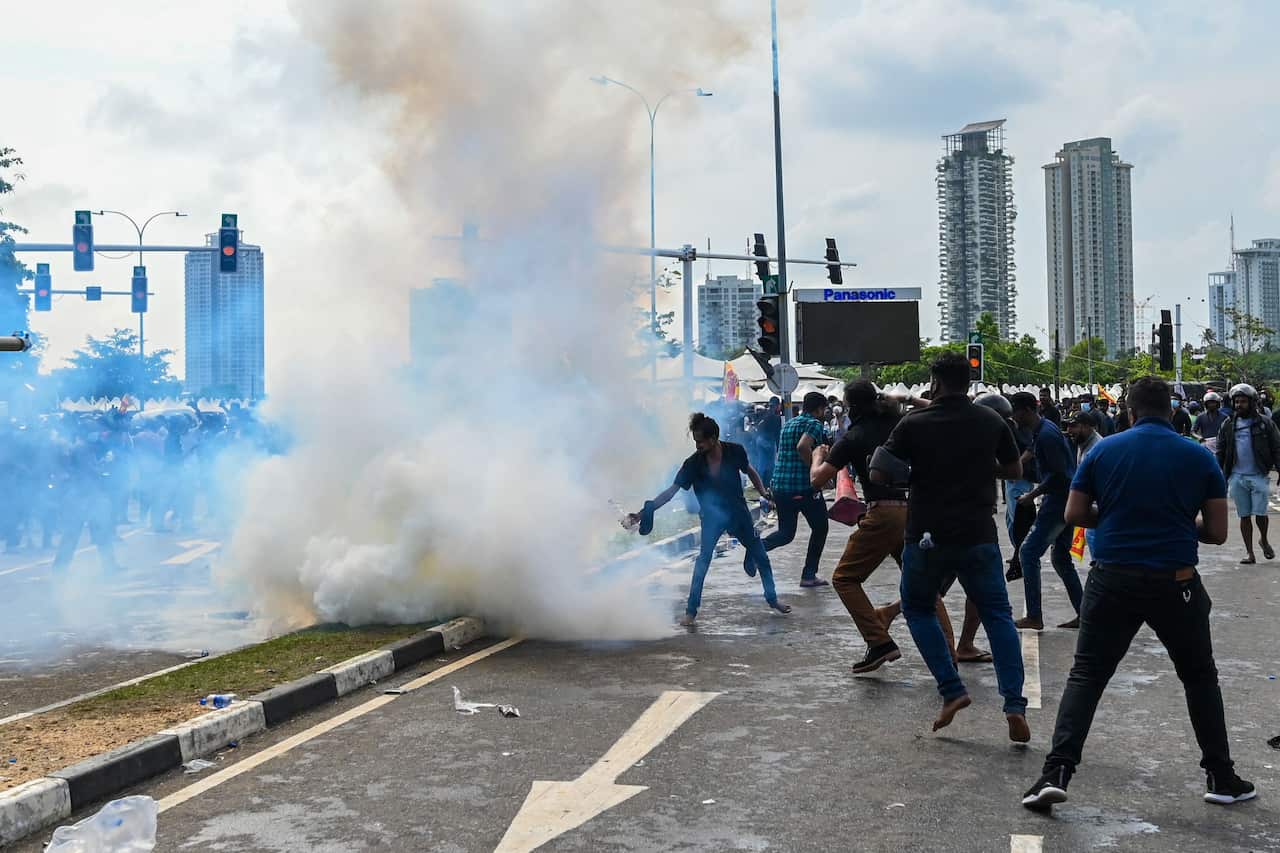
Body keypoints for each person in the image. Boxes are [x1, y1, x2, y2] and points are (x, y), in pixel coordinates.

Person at [1022, 376, 1255, 811]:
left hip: (1113, 578)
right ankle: (1221, 777)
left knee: (1087, 675)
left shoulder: (1103, 451)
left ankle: (1054, 773)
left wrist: (1117, 519)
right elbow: (1219, 532)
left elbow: (1074, 513)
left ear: (1129, 412)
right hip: (1177, 581)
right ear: (1171, 410)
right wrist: (1178, 524)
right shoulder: (1197, 456)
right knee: (1199, 678)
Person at [872, 352, 1029, 742]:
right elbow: (1014, 471)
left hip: (927, 536)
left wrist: (919, 474)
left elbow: (878, 471)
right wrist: (978, 468)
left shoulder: (914, 423)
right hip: (978, 535)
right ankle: (1014, 704)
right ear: (968, 382)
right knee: (998, 617)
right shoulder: (991, 420)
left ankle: (953, 691)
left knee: (917, 608)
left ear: (936, 382)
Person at [808, 381, 962, 673]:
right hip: (917, 511)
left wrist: (817, 456)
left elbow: (819, 480)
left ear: (850, 407)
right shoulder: (904, 422)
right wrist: (909, 399)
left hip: (884, 512)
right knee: (926, 586)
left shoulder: (853, 436)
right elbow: (947, 413)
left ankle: (879, 642)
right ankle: (948, 655)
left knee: (845, 578)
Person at [628, 413, 791, 626]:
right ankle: (690, 612)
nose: (698, 446)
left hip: (739, 513)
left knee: (761, 557)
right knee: (702, 562)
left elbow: (750, 471)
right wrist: (643, 513)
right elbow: (671, 492)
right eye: (696, 441)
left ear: (714, 438)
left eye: (701, 441)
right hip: (711, 519)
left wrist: (762, 491)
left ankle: (773, 599)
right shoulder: (693, 464)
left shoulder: (735, 451)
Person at [1010, 393, 1084, 631]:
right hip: (1065, 499)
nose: (1013, 416)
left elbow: (1058, 475)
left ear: (1027, 410)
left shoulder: (1048, 435)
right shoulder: (1043, 430)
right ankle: (1084, 613)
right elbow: (1031, 451)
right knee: (1061, 559)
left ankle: (1034, 615)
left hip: (1058, 500)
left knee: (1029, 553)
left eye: (1015, 411)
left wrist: (1031, 496)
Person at [753, 391, 831, 587]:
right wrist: (816, 470)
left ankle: (756, 549)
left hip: (780, 487)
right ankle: (808, 575)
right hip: (802, 487)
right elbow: (802, 447)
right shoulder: (814, 423)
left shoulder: (789, 423)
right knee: (821, 528)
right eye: (824, 410)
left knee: (786, 533)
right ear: (819, 409)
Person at [1215, 383, 1280, 565]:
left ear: (1252, 403)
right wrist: (1218, 472)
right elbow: (1220, 450)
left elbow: (1277, 448)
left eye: (1243, 402)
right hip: (1237, 476)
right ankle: (1250, 553)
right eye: (1236, 402)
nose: (1239, 405)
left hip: (1258, 474)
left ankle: (1264, 540)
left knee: (1260, 514)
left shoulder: (1265, 423)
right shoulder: (1228, 425)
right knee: (1244, 516)